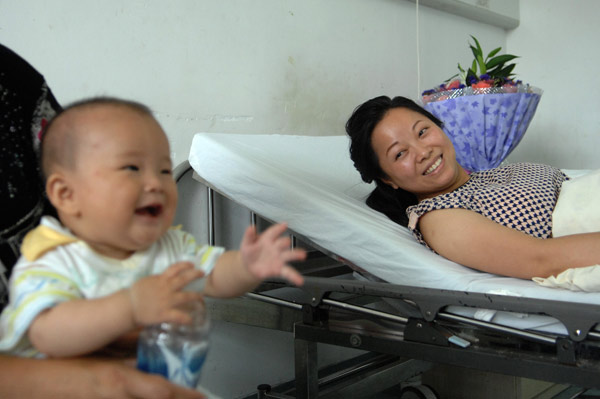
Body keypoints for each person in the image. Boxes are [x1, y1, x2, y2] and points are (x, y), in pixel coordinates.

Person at [0, 97, 305, 362]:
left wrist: (244, 266)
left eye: (162, 169)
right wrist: (130, 307)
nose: (156, 183)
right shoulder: (53, 257)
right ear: (67, 194)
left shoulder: (167, 248)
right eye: (132, 168)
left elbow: (212, 276)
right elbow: (47, 334)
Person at [346, 95, 600, 280]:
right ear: (388, 179)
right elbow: (542, 259)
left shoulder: (489, 175)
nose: (423, 151)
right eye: (400, 153)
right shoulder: (440, 217)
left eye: (423, 132)